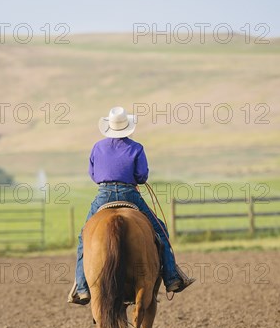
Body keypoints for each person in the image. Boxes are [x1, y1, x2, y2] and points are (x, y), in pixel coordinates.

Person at [68, 106, 195, 305]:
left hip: (103, 194)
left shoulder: (97, 147)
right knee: (160, 230)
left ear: (109, 127)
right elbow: (142, 176)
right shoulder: (136, 148)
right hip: (130, 193)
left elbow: (93, 174)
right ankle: (171, 277)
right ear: (127, 127)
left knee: (84, 236)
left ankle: (82, 287)